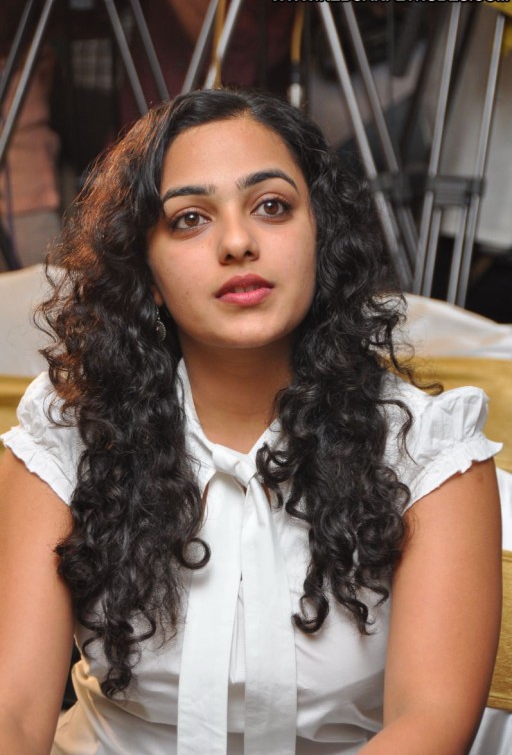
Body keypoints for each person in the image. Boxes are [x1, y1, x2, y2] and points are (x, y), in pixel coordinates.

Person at [0, 87, 503, 755]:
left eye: (271, 206)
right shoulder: (68, 432)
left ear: (320, 235)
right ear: (145, 270)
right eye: (189, 219)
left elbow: (430, 724)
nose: (237, 242)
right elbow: (13, 713)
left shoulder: (431, 453)